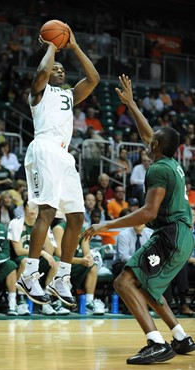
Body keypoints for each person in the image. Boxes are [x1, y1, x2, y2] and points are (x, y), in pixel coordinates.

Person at [81, 74, 195, 365]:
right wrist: (131, 104)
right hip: (179, 235)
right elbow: (149, 135)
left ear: (156, 145)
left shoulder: (157, 170)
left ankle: (156, 343)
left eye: (153, 138)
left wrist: (105, 224)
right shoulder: (169, 162)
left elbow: (148, 213)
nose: (149, 138)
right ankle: (180, 337)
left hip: (170, 235)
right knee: (145, 285)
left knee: (124, 282)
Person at [15, 24, 100, 307]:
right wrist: (52, 44)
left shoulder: (69, 95)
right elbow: (41, 73)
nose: (60, 71)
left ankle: (61, 277)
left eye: (63, 69)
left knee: (76, 217)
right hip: (44, 148)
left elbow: (94, 78)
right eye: (56, 68)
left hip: (65, 155)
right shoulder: (38, 94)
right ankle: (29, 273)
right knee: (47, 212)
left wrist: (73, 46)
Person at [8, 200, 68, 316]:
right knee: (26, 262)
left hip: (36, 260)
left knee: (56, 263)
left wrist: (43, 229)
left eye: (36, 208)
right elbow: (18, 250)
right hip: (19, 259)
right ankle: (21, 301)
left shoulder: (43, 224)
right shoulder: (16, 223)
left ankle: (46, 299)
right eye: (31, 207)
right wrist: (41, 252)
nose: (33, 210)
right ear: (25, 208)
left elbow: (50, 251)